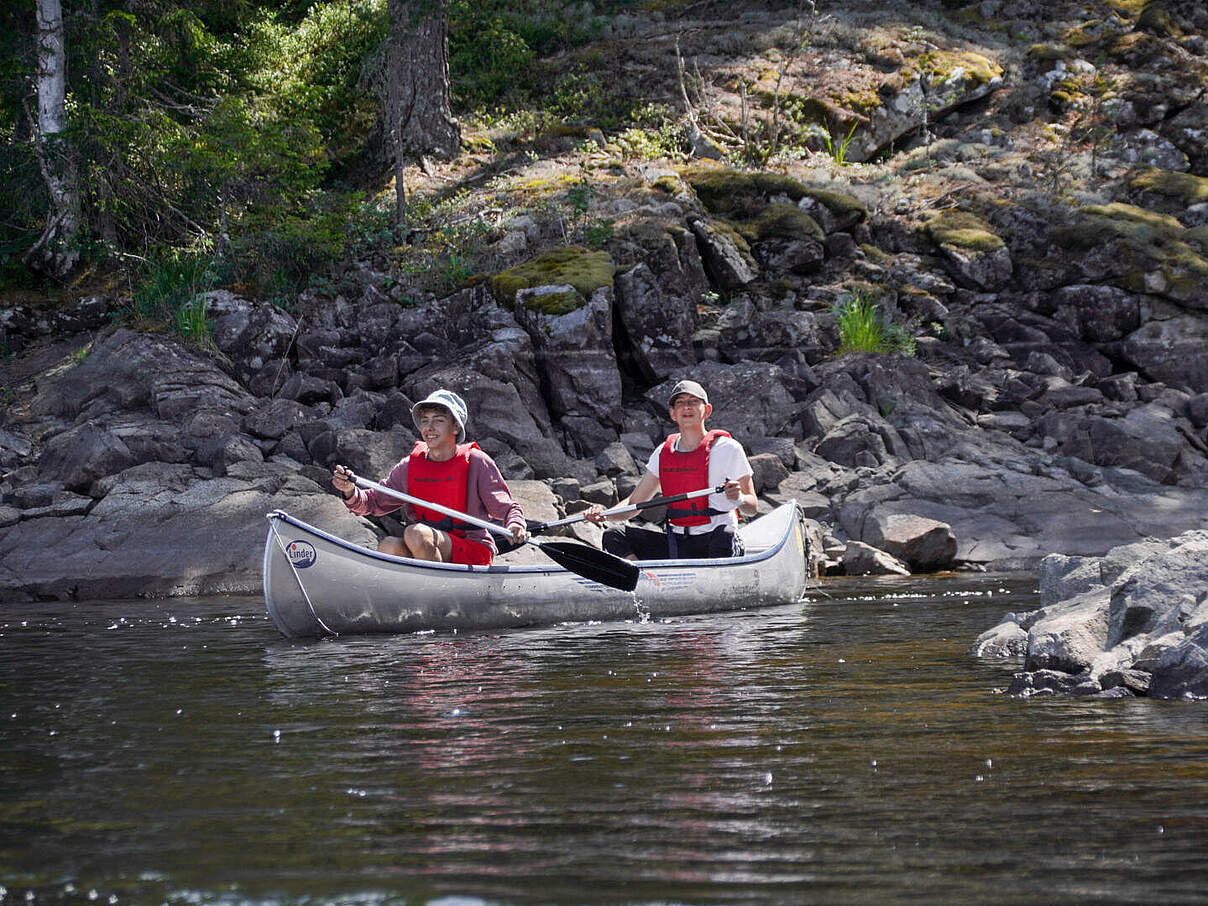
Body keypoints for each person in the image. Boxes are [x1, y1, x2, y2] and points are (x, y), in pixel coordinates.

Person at [331, 389, 528, 565]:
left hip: (473, 550)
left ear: (455, 428)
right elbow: (373, 502)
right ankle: (423, 597)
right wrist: (349, 491)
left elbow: (508, 507)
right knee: (388, 546)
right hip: (428, 545)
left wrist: (515, 524)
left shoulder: (477, 462)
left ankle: (443, 599)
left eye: (438, 420)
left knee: (415, 532)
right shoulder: (409, 467)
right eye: (425, 421)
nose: (429, 428)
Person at [584, 379, 757, 560]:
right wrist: (604, 514)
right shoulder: (662, 453)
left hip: (718, 539)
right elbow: (633, 504)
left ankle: (717, 579)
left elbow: (752, 507)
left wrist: (738, 498)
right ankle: (647, 581)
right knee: (614, 535)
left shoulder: (729, 448)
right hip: (678, 543)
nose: (686, 407)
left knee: (726, 535)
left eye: (693, 402)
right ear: (673, 414)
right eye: (680, 403)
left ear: (707, 410)